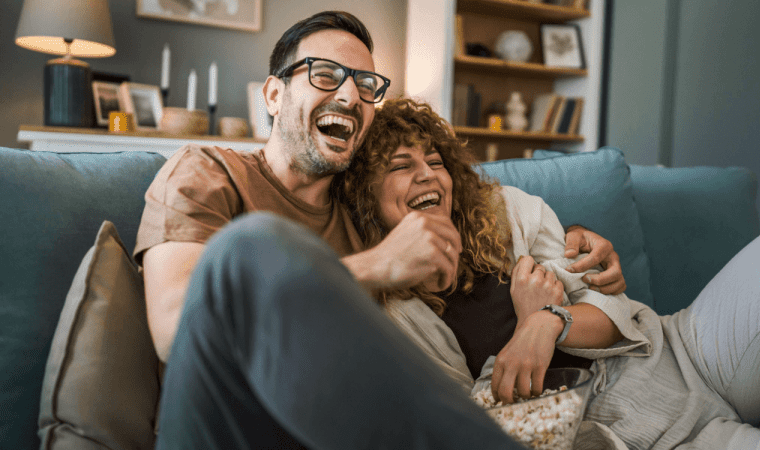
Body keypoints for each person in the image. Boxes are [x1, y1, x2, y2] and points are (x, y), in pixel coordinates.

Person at [133, 10, 626, 449]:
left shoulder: (365, 213)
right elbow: (177, 329)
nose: (349, 95)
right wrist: (376, 266)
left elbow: (469, 196)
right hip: (227, 427)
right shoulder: (208, 172)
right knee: (250, 247)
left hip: (342, 428)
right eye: (325, 76)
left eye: (366, 85)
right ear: (274, 94)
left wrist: (576, 241)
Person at [341, 97, 760, 449]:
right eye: (400, 166)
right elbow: (476, 426)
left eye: (435, 161)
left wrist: (546, 321)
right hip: (644, 437)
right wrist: (524, 328)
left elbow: (609, 308)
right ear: (365, 197)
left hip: (689, 351)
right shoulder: (397, 316)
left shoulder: (506, 210)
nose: (426, 174)